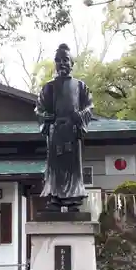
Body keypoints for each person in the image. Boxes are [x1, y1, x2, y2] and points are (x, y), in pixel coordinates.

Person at [36, 43, 93, 211]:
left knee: (72, 166)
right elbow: (39, 108)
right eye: (58, 60)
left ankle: (73, 199)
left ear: (72, 63)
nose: (62, 63)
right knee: (55, 165)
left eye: (65, 60)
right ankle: (54, 198)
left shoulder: (80, 86)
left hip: (73, 131)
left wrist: (81, 116)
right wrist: (46, 117)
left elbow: (89, 106)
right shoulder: (49, 87)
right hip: (55, 132)